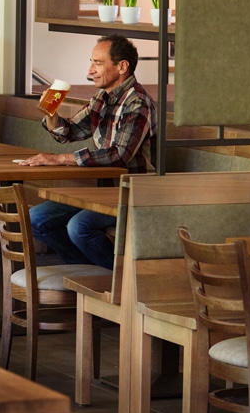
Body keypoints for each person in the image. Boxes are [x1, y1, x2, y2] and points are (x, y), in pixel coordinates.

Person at [20, 35, 156, 269]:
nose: (90, 70)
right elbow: (70, 132)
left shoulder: (138, 102)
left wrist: (60, 160)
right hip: (102, 192)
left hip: (132, 194)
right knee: (34, 219)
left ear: (122, 66)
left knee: (79, 227)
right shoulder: (101, 98)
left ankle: (119, 279)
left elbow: (120, 155)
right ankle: (86, 271)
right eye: (91, 62)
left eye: (98, 63)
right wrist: (51, 115)